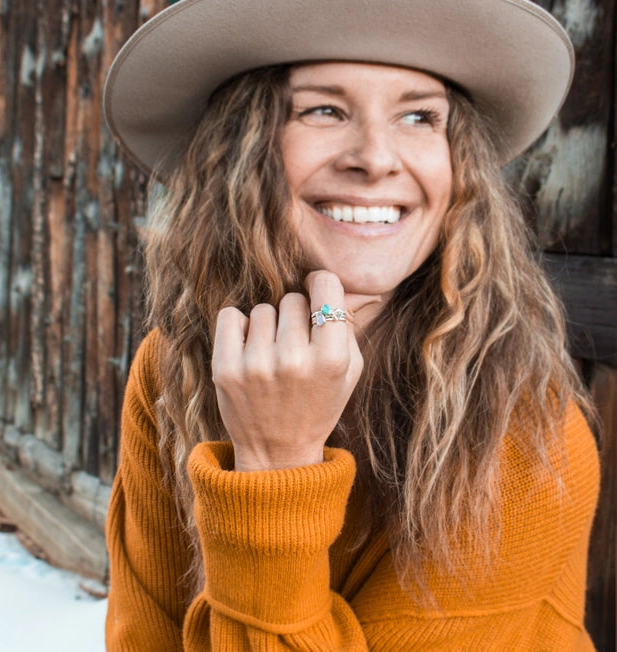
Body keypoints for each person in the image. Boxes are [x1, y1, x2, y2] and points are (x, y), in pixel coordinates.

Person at [102, 0, 600, 649]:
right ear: (240, 151)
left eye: (419, 116)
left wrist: (276, 472)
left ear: (460, 170)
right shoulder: (173, 367)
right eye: (325, 110)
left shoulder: (524, 429)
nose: (375, 157)